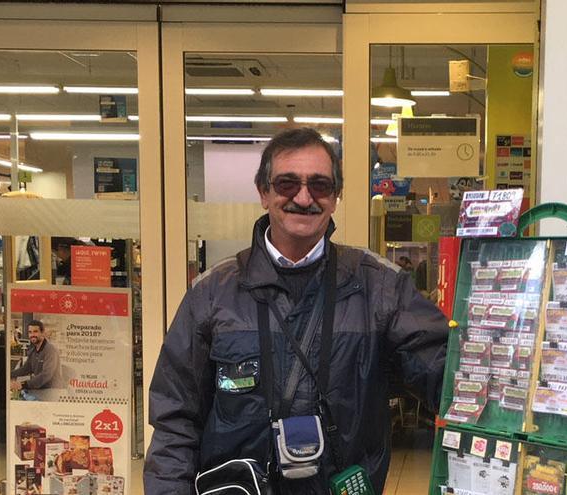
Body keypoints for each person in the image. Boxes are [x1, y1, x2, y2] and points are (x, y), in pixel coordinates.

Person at [144, 128, 449, 494]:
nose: (304, 198)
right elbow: (176, 421)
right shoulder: (213, 295)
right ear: (263, 192)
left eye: (320, 186)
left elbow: (445, 374)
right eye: (288, 183)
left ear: (335, 198)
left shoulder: (380, 289)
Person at [10, 320, 62, 391]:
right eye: (30, 332)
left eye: (35, 331)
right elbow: (25, 369)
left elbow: (46, 375)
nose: (32, 335)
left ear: (42, 333)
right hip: (40, 389)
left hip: (52, 391)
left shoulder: (50, 350)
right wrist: (9, 375)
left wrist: (23, 385)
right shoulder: (33, 350)